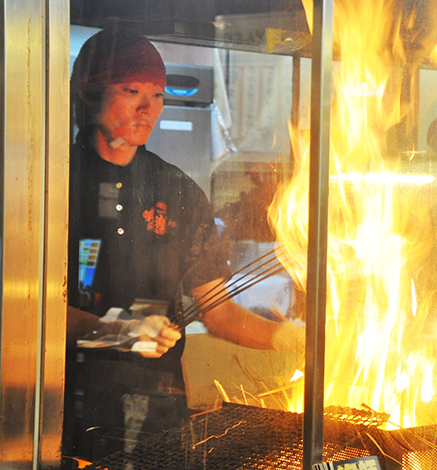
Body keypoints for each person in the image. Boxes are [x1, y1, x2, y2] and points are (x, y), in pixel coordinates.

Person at [63, 27, 303, 462]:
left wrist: (289, 338)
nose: (147, 108)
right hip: (64, 413)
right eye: (130, 90)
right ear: (90, 93)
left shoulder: (177, 191)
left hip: (158, 418)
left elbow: (219, 313)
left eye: (157, 94)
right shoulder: (53, 183)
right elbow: (25, 314)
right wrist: (116, 332)